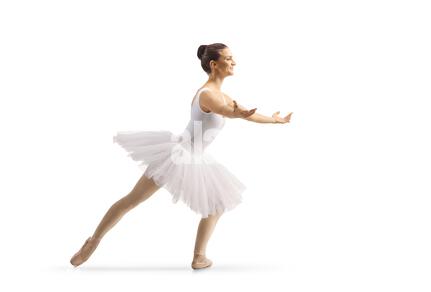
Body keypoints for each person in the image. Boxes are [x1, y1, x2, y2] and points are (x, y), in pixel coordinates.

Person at [70, 43, 293, 270]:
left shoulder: (222, 95)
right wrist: (236, 113)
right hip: (178, 154)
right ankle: (92, 243)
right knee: (132, 200)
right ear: (214, 64)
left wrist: (275, 120)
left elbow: (246, 115)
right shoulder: (208, 95)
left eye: (233, 57)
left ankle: (199, 257)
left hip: (194, 156)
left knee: (216, 205)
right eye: (229, 58)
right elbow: (227, 111)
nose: (234, 62)